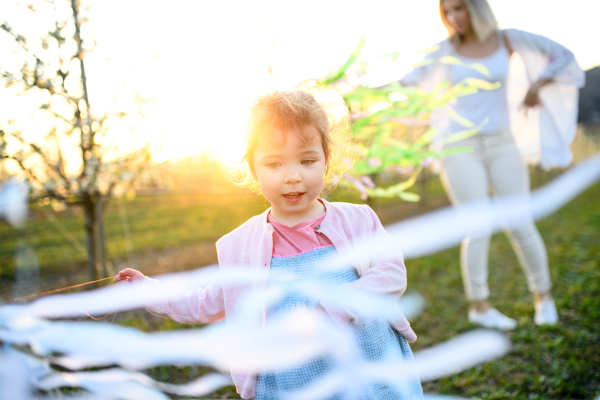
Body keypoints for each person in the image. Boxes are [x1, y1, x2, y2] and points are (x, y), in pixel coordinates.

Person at [114, 90, 423, 400]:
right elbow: (205, 303)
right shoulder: (242, 247)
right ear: (254, 169)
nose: (292, 176)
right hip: (293, 385)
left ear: (326, 161)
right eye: (274, 164)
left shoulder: (357, 221)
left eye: (306, 160)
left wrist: (334, 308)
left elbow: (391, 273)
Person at [400, 0, 584, 330]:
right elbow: (408, 83)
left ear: (476, 7)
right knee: (477, 225)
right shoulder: (444, 50)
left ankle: (543, 297)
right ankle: (480, 305)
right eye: (447, 12)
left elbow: (563, 56)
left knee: (520, 222)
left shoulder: (508, 39)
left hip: (502, 142)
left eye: (459, 8)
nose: (454, 17)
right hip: (459, 145)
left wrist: (538, 84)